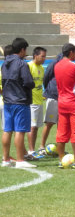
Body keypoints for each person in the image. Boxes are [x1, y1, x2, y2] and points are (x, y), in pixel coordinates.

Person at [1, 38, 36, 168]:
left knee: (7, 130)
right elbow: (28, 82)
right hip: (20, 101)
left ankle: (5, 159)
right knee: (20, 131)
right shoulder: (21, 64)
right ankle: (20, 160)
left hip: (8, 101)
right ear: (22, 50)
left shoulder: (4, 63)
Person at [55, 43, 75, 169]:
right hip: (74, 102)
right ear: (71, 52)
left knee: (61, 132)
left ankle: (61, 159)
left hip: (61, 102)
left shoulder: (56, 66)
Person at [38, 52, 62, 155]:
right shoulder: (54, 63)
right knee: (49, 123)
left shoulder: (69, 64)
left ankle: (60, 148)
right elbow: (46, 78)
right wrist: (50, 90)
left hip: (63, 97)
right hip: (53, 96)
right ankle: (41, 146)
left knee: (61, 125)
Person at [26, 47, 47, 159]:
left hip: (39, 101)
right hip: (31, 102)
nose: (44, 58)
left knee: (36, 127)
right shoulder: (28, 66)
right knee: (32, 127)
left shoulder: (42, 68)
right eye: (42, 56)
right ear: (35, 55)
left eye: (45, 56)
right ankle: (31, 151)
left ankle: (32, 149)